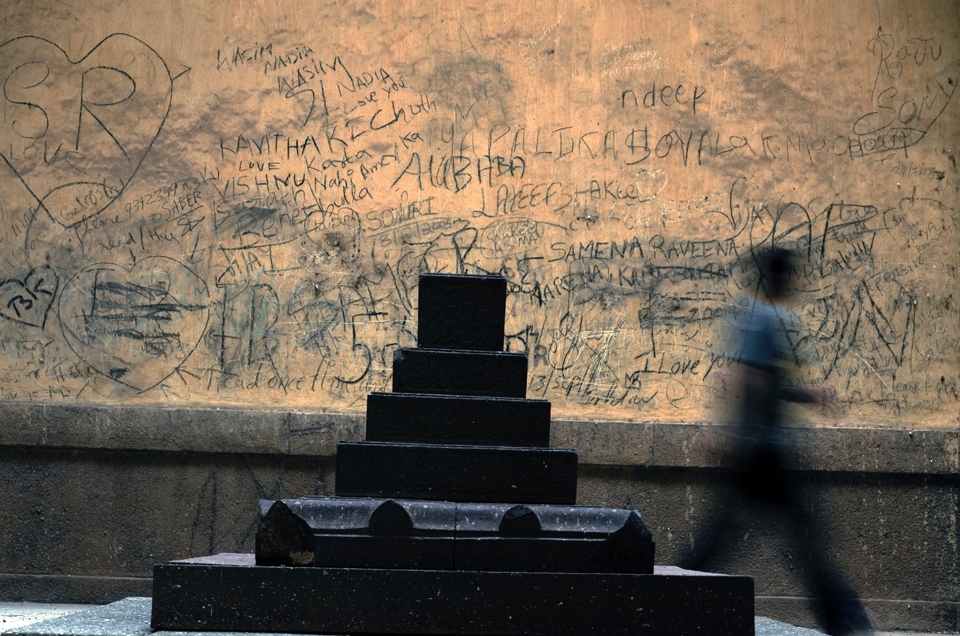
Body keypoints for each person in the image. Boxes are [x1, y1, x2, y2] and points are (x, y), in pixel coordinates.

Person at [679, 247, 873, 636]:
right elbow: (753, 379)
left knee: (724, 536)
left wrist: (808, 395)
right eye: (790, 276)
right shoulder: (765, 319)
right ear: (781, 279)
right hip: (765, 452)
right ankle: (845, 620)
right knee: (804, 540)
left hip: (759, 451)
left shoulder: (754, 315)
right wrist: (745, 439)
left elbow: (768, 382)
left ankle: (676, 594)